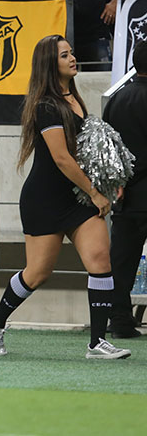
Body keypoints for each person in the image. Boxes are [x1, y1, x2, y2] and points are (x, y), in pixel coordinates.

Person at [0, 34, 131, 360]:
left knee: (100, 262)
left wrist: (107, 182)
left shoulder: (74, 98)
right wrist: (94, 192)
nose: (73, 58)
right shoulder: (46, 105)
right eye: (65, 55)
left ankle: (96, 342)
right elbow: (62, 158)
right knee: (37, 273)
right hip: (44, 199)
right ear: (52, 64)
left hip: (76, 198)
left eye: (72, 52)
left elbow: (86, 151)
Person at [103, 39, 147, 339]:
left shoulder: (117, 99)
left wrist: (116, 183)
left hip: (126, 193)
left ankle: (119, 321)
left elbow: (107, 148)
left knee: (121, 261)